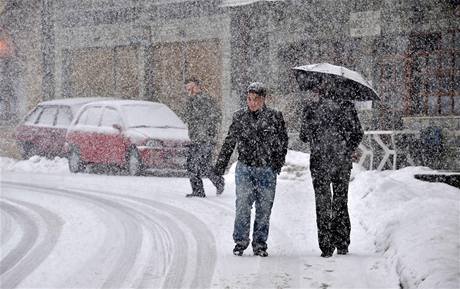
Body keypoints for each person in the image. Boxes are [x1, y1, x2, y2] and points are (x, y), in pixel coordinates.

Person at [214, 82, 288, 257]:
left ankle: (260, 243)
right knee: (242, 206)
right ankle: (240, 241)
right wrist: (220, 166)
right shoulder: (239, 117)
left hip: (267, 170)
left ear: (263, 100)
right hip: (245, 168)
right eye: (249, 99)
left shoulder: (275, 117)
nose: (252, 103)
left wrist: (277, 164)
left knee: (264, 209)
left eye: (256, 99)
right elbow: (229, 142)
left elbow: (283, 142)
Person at [299, 81, 363, 258]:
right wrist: (346, 147)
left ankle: (326, 246)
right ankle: (342, 242)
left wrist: (314, 130)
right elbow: (358, 133)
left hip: (320, 162)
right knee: (340, 201)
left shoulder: (311, 108)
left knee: (323, 203)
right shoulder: (347, 107)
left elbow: (303, 136)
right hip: (341, 162)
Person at [183, 77, 224, 198]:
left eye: (190, 87)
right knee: (200, 165)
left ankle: (202, 189)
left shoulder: (205, 99)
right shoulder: (191, 101)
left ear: (196, 86)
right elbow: (186, 117)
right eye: (186, 88)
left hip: (205, 138)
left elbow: (216, 115)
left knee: (195, 164)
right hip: (196, 138)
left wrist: (209, 131)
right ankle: (215, 183)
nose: (188, 90)